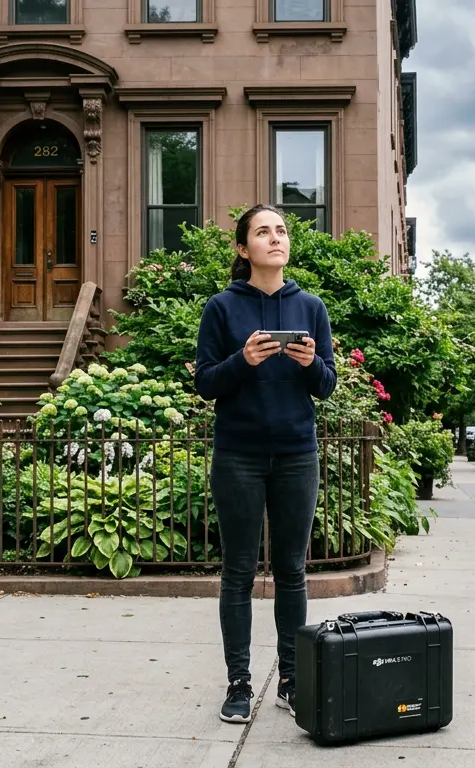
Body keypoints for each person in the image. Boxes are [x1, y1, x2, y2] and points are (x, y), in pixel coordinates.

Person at [193, 204, 337, 724]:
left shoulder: (311, 307)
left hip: (298, 453)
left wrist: (310, 363)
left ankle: (293, 680)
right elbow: (205, 382)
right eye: (262, 232)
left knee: (292, 571)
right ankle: (239, 682)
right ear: (243, 248)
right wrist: (243, 360)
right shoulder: (222, 308)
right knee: (237, 571)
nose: (275, 238)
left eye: (281, 231)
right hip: (239, 455)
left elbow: (327, 384)